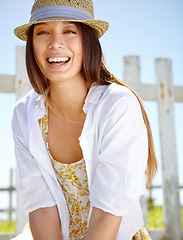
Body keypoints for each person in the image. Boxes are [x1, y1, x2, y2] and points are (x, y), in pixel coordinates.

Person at [12, 0, 157, 239]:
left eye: (69, 31)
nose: (55, 43)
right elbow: (41, 208)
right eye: (43, 32)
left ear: (88, 40)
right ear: (31, 45)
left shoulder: (118, 105)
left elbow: (107, 213)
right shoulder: (24, 113)